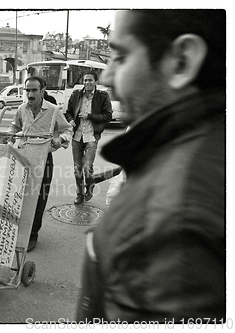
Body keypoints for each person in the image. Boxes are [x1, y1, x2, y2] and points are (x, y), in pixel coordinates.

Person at [76, 10, 226, 322]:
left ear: (181, 61)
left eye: (121, 55)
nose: (107, 76)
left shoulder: (171, 217)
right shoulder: (200, 148)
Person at [2, 76, 72, 252]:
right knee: (20, 195)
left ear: (42, 91)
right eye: (27, 90)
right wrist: (9, 135)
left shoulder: (54, 110)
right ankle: (18, 230)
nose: (30, 94)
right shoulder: (21, 109)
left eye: (34, 90)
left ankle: (32, 234)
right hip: (22, 157)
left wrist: (59, 139)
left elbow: (67, 130)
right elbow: (14, 127)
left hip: (43, 159)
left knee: (38, 198)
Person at [65, 71, 113, 204]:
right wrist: (70, 120)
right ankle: (80, 194)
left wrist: (90, 116)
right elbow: (68, 112)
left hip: (91, 136)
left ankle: (90, 184)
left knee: (87, 166)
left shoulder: (103, 96)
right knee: (77, 168)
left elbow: (108, 116)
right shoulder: (76, 95)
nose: (87, 83)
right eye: (85, 80)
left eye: (90, 80)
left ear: (96, 82)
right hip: (77, 136)